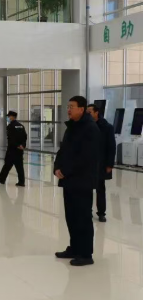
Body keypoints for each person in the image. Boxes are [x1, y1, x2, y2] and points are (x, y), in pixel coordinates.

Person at [54, 96, 100, 267]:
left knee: (82, 217)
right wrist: (57, 167)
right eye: (68, 106)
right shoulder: (72, 126)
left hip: (82, 181)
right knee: (71, 216)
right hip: (70, 180)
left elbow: (86, 157)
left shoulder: (90, 128)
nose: (68, 109)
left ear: (81, 109)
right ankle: (75, 248)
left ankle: (86, 254)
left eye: (71, 106)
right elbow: (63, 150)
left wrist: (65, 170)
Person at [87, 104, 116, 223]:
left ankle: (101, 213)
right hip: (87, 163)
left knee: (100, 188)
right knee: (87, 188)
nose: (88, 114)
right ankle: (87, 211)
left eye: (90, 112)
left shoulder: (107, 127)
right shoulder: (86, 126)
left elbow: (111, 146)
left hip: (101, 163)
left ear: (96, 112)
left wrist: (110, 164)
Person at [0, 111, 27, 187]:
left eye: (8, 116)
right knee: (19, 167)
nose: (8, 118)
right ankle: (21, 182)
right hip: (19, 150)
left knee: (7, 165)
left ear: (12, 117)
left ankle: (1, 179)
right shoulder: (21, 126)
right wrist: (22, 145)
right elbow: (25, 137)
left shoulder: (10, 126)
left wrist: (17, 145)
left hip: (12, 150)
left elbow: (11, 138)